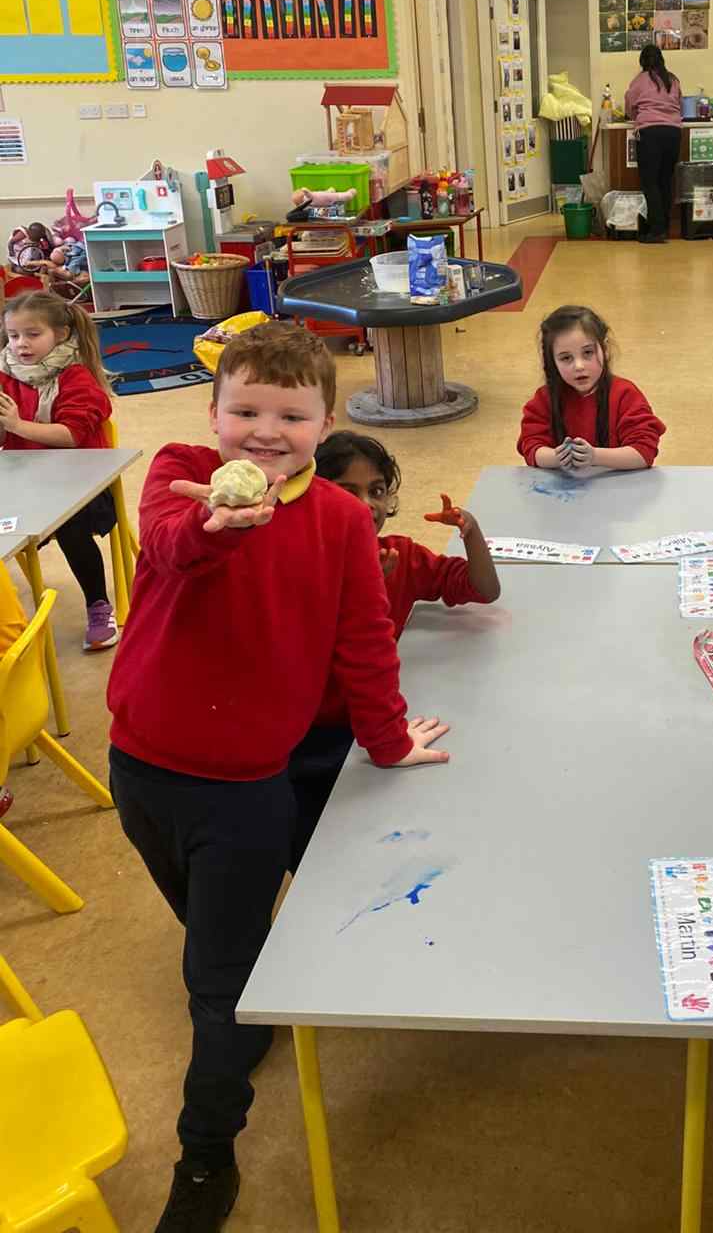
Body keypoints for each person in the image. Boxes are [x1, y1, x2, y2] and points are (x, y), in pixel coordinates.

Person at [105, 323, 451, 1233]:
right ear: (213, 414)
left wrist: (388, 741)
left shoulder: (339, 521)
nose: (266, 431)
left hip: (246, 791)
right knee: (215, 934)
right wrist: (216, 526)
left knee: (213, 985)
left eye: (291, 416)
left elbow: (363, 641)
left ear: (324, 422)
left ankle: (205, 1156)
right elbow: (172, 547)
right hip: (139, 766)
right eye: (246, 410)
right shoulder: (182, 476)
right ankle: (250, 993)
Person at [288, 430, 499, 864]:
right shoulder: (299, 566)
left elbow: (483, 589)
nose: (367, 503)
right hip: (304, 741)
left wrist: (472, 531)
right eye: (347, 491)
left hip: (371, 730)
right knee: (316, 853)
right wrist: (358, 594)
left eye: (377, 490)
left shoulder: (399, 556)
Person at [0, 291, 119, 649]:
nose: (21, 344)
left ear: (62, 334)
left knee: (71, 526)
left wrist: (17, 425)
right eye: (13, 335)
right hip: (27, 482)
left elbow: (71, 435)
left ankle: (98, 604)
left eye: (32, 334)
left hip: (83, 486)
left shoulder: (76, 377)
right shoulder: (6, 375)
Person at [518, 304, 665, 475]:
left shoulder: (625, 394)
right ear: (552, 362)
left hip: (619, 488)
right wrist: (557, 457)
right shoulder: (544, 399)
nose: (579, 366)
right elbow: (531, 447)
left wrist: (594, 456)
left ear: (605, 349)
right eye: (566, 358)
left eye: (588, 353)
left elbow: (643, 453)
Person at [624, 44, 682, 243]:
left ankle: (656, 231)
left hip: (650, 133)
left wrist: (637, 116)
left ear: (642, 62)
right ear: (661, 59)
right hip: (673, 133)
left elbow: (630, 106)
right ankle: (664, 227)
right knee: (665, 181)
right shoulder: (673, 79)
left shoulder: (640, 80)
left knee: (650, 182)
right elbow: (679, 105)